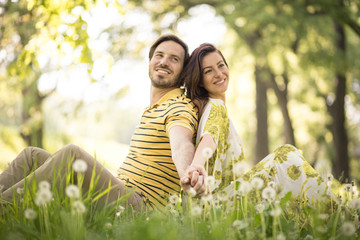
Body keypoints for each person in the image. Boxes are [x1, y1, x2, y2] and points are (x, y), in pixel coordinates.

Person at [0, 34, 206, 211]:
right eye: (159, 55)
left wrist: (188, 172)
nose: (164, 62)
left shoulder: (179, 107)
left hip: (139, 207)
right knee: (32, 156)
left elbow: (181, 143)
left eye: (174, 59)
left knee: (72, 155)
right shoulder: (155, 108)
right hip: (119, 195)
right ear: (150, 61)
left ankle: (4, 210)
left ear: (182, 73)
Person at [181, 43, 334, 206]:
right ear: (200, 80)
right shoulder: (215, 108)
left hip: (220, 203)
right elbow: (209, 138)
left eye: (221, 65)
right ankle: (338, 215)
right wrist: (196, 166)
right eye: (208, 71)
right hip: (217, 207)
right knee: (286, 155)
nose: (219, 73)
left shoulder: (205, 110)